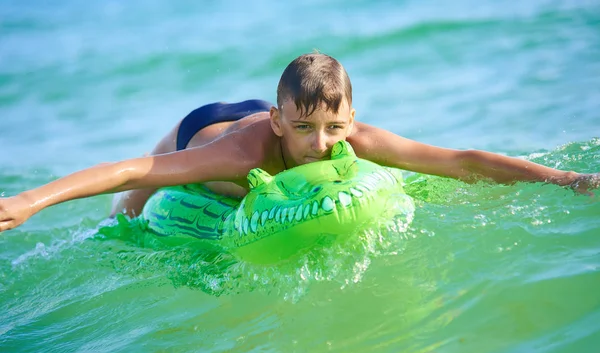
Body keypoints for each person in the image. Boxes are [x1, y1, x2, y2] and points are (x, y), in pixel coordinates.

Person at [0, 53, 598, 233]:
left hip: (270, 108)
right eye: (305, 130)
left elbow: (457, 160)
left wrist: (568, 181)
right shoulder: (245, 151)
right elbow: (129, 170)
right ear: (281, 123)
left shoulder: (349, 135)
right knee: (122, 221)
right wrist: (28, 201)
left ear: (352, 117)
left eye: (334, 129)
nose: (322, 145)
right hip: (201, 127)